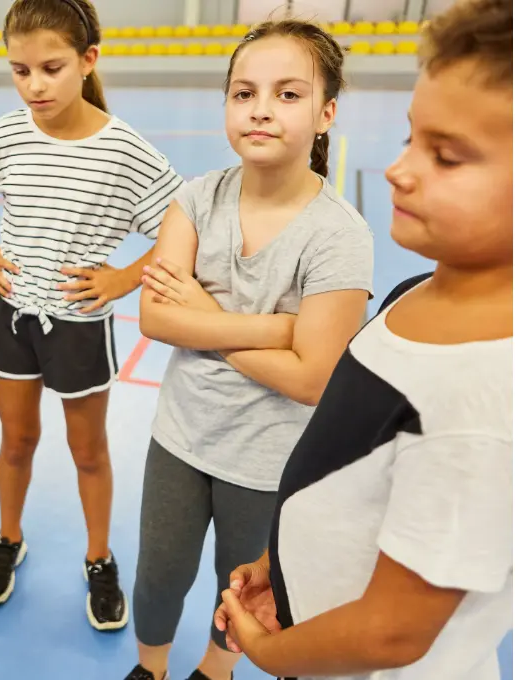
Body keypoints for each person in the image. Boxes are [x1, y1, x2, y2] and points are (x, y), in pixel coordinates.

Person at [214, 2, 513, 678]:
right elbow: (348, 471)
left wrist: (270, 653)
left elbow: (392, 634)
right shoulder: (416, 293)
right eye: (412, 139)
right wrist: (277, 566)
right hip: (310, 627)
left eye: (447, 156)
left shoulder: (480, 404)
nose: (399, 171)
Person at [127, 20, 375, 680]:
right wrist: (276, 328)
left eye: (288, 94)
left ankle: (215, 671)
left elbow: (313, 380)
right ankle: (148, 669)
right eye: (244, 93)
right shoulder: (195, 199)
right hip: (181, 437)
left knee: (239, 591)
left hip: (269, 460)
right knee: (157, 578)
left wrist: (203, 314)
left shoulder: (339, 237)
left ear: (326, 114)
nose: (261, 108)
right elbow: (155, 314)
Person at [0, 0, 184, 630]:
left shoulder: (124, 150)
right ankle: (9, 538)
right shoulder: (6, 134)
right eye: (20, 70)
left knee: (88, 452)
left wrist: (122, 276)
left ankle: (98, 557)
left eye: (51, 68)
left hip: (78, 326)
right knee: (16, 441)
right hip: (10, 316)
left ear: (89, 61)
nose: (34, 85)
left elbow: (182, 228)